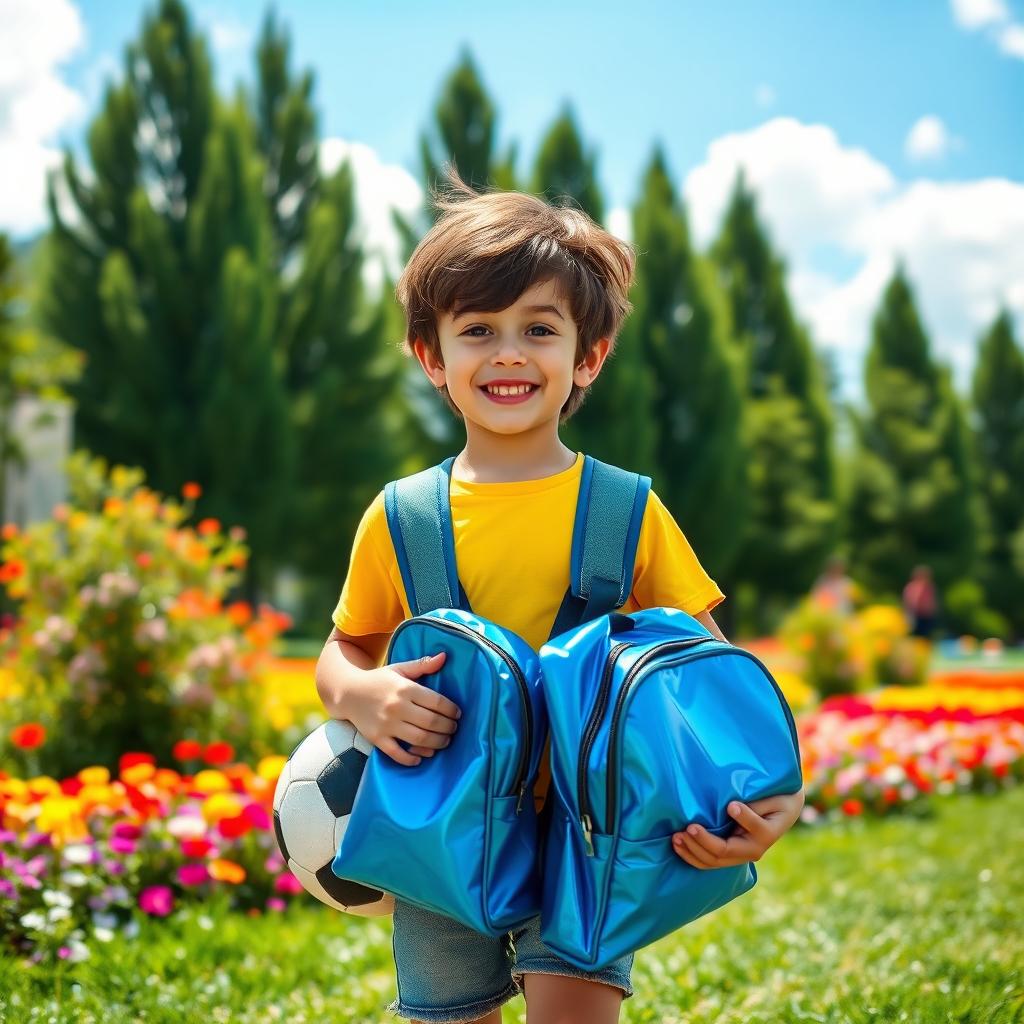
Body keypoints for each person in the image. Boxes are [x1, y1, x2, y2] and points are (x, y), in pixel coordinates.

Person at [314, 165, 806, 1024]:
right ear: (432, 356)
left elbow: (709, 675)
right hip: (441, 821)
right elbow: (345, 648)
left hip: (593, 833)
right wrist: (360, 693)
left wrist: (780, 796)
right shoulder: (400, 518)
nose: (508, 353)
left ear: (589, 354)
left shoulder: (627, 510)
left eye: (539, 329)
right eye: (477, 330)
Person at [902, 564, 939, 640]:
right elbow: (910, 602)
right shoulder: (912, 587)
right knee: (915, 636)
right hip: (915, 615)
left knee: (926, 636)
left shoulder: (929, 587)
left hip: (927, 616)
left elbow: (932, 601)